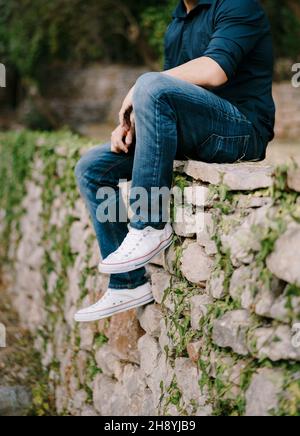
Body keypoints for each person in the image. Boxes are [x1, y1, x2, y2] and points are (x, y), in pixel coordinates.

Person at [74, 0, 275, 322]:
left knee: (151, 82)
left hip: (240, 132)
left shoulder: (238, 5)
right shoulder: (178, 21)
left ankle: (149, 223)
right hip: (196, 131)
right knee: (93, 167)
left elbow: (213, 70)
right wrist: (129, 126)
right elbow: (166, 97)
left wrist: (140, 87)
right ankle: (128, 284)